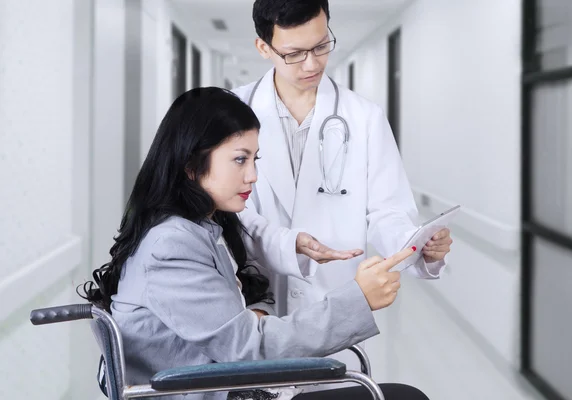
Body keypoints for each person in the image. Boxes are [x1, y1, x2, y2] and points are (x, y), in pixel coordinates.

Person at [80, 87, 429, 400]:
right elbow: (252, 349)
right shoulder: (171, 244)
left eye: (254, 159)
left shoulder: (199, 226)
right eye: (239, 159)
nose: (252, 175)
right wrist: (358, 298)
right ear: (191, 165)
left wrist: (255, 309)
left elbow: (235, 306)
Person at [233, 0, 453, 318]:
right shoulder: (230, 111)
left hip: (332, 304)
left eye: (322, 46)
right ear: (263, 47)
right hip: (250, 308)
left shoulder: (364, 117)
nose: (312, 65)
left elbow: (387, 211)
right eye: (294, 54)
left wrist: (416, 244)